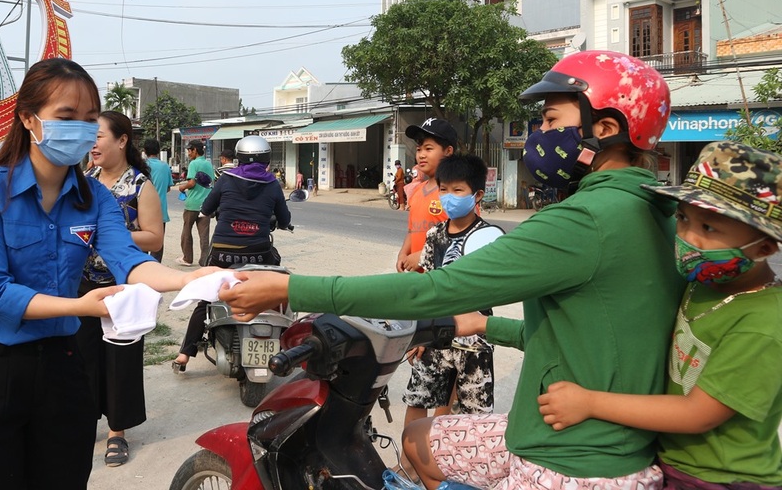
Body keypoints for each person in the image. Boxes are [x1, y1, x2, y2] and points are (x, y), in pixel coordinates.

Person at [220, 51, 683, 490]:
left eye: (550, 120)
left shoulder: (585, 220)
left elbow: (437, 290)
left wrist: (290, 287)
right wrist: (485, 323)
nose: (539, 133)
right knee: (421, 438)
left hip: (572, 463)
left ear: (605, 128)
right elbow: (597, 335)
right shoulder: (654, 209)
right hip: (585, 440)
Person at [0, 58, 203, 490]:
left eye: (89, 120)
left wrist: (189, 279)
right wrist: (80, 305)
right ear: (28, 118)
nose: (82, 131)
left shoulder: (95, 197)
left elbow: (129, 259)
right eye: (66, 117)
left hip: (64, 364)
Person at [538, 141, 782, 490]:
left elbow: (697, 414)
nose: (687, 238)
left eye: (709, 228)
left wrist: (589, 402)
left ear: (764, 247)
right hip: (672, 462)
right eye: (682, 218)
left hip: (720, 478)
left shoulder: (761, 323)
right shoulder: (702, 283)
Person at [76, 111, 164, 468]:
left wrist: (113, 236)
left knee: (120, 361)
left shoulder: (140, 186)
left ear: (122, 140)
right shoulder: (85, 179)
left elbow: (155, 237)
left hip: (123, 286)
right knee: (81, 357)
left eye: (98, 136)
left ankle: (117, 432)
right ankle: (84, 422)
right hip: (82, 285)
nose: (92, 144)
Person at [402, 154, 504, 449]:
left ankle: (458, 469)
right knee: (418, 399)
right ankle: (408, 468)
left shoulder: (489, 238)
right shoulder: (434, 235)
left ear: (477, 195)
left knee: (472, 418)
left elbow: (492, 289)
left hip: (474, 341)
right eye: (443, 189)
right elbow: (429, 286)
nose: (448, 197)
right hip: (436, 336)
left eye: (458, 190)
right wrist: (418, 334)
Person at [173, 135, 291, 373]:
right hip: (259, 254)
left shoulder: (226, 179)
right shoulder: (272, 184)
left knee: (206, 299)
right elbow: (285, 219)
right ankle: (288, 343)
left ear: (240, 158)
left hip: (224, 254)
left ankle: (185, 354)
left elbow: (206, 209)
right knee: (279, 289)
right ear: (267, 158)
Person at [396, 118, 458, 273]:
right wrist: (403, 253)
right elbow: (412, 230)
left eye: (428, 149)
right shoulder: (417, 191)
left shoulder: (458, 192)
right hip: (418, 280)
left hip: (443, 280)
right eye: (419, 149)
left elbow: (464, 237)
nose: (421, 155)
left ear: (448, 151)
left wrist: (425, 255)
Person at [175, 140, 214, 267]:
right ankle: (204, 260)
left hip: (192, 204)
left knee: (186, 231)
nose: (188, 153)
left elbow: (192, 183)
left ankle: (187, 258)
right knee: (204, 235)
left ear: (195, 150)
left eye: (189, 150)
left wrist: (182, 187)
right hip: (206, 205)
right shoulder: (209, 164)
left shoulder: (194, 164)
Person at [142, 138, 172, 262]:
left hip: (143, 211)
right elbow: (168, 188)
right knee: (157, 243)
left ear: (144, 151)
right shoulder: (165, 167)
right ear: (158, 151)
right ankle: (156, 267)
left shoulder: (141, 165)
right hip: (161, 212)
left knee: (143, 243)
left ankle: (142, 267)